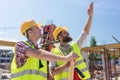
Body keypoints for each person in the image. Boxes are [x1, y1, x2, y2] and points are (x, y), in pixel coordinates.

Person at [10, 19, 79, 80]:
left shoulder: (41, 54)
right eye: (37, 27)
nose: (40, 29)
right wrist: (66, 58)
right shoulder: (20, 46)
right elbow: (38, 53)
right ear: (30, 32)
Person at [49, 2, 94, 80]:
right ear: (59, 37)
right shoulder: (53, 52)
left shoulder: (75, 46)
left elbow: (85, 33)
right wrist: (66, 65)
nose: (68, 33)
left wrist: (90, 16)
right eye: (65, 32)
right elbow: (52, 72)